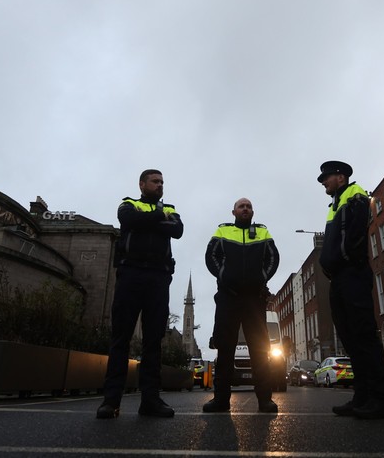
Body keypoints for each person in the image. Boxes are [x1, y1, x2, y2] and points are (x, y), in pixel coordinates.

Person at [97, 169, 184, 419]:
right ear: (142, 184)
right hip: (130, 274)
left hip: (158, 277)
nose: (160, 185)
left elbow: (177, 230)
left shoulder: (171, 208)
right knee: (120, 338)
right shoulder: (128, 204)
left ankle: (150, 400)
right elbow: (129, 221)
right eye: (155, 181)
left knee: (153, 341)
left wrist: (152, 219)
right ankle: (110, 401)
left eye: (162, 182)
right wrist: (158, 218)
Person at [318, 160, 384, 419]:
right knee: (350, 339)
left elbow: (356, 234)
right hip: (338, 278)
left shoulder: (355, 193)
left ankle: (380, 400)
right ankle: (361, 397)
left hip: (353, 273)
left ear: (340, 176)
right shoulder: (334, 204)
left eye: (326, 178)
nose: (324, 182)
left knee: (363, 336)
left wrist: (346, 258)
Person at [203, 198, 280, 413]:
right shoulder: (222, 231)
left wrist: (262, 277)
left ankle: (265, 400)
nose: (245, 209)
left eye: (248, 207)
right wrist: (224, 276)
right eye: (241, 206)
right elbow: (211, 257)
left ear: (252, 211)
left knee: (259, 349)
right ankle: (220, 400)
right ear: (234, 212)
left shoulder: (263, 232)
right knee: (225, 348)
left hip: (254, 299)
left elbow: (273, 258)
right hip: (228, 297)